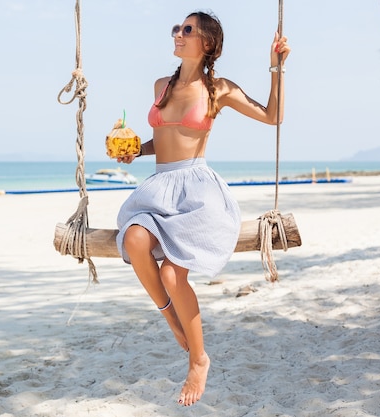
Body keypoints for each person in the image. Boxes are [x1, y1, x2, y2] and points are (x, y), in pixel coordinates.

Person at [114, 11, 291, 407]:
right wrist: (135, 150)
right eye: (177, 28)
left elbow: (272, 116)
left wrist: (276, 68)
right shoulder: (162, 85)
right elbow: (164, 138)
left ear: (207, 43)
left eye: (187, 30)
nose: (178, 33)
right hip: (160, 187)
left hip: (197, 191)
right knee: (134, 237)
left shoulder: (219, 90)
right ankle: (170, 318)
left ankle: (198, 358)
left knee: (173, 275)